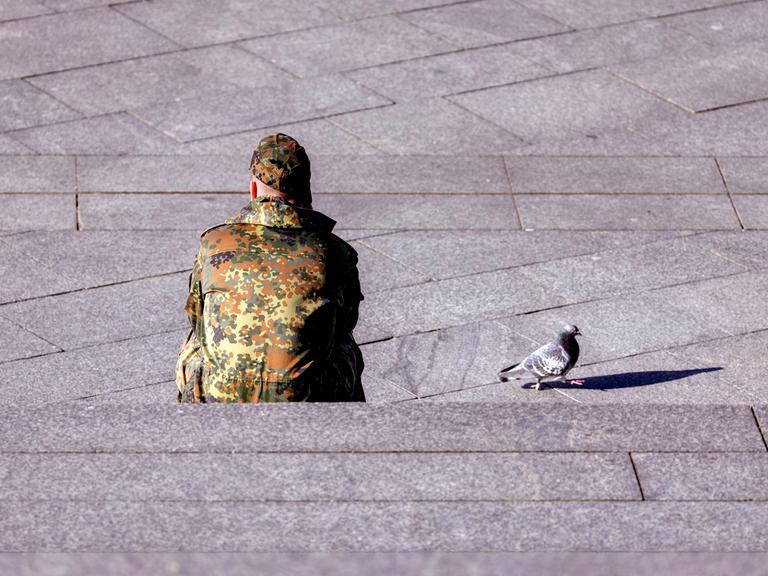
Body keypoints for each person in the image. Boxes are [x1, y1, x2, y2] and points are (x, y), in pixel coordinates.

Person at [175, 133, 365, 402]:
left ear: (254, 190)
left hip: (222, 393)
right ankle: (348, 425)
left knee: (197, 342)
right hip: (303, 397)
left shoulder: (214, 243)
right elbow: (346, 320)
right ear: (307, 190)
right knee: (343, 344)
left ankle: (192, 421)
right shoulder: (335, 252)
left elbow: (196, 316)